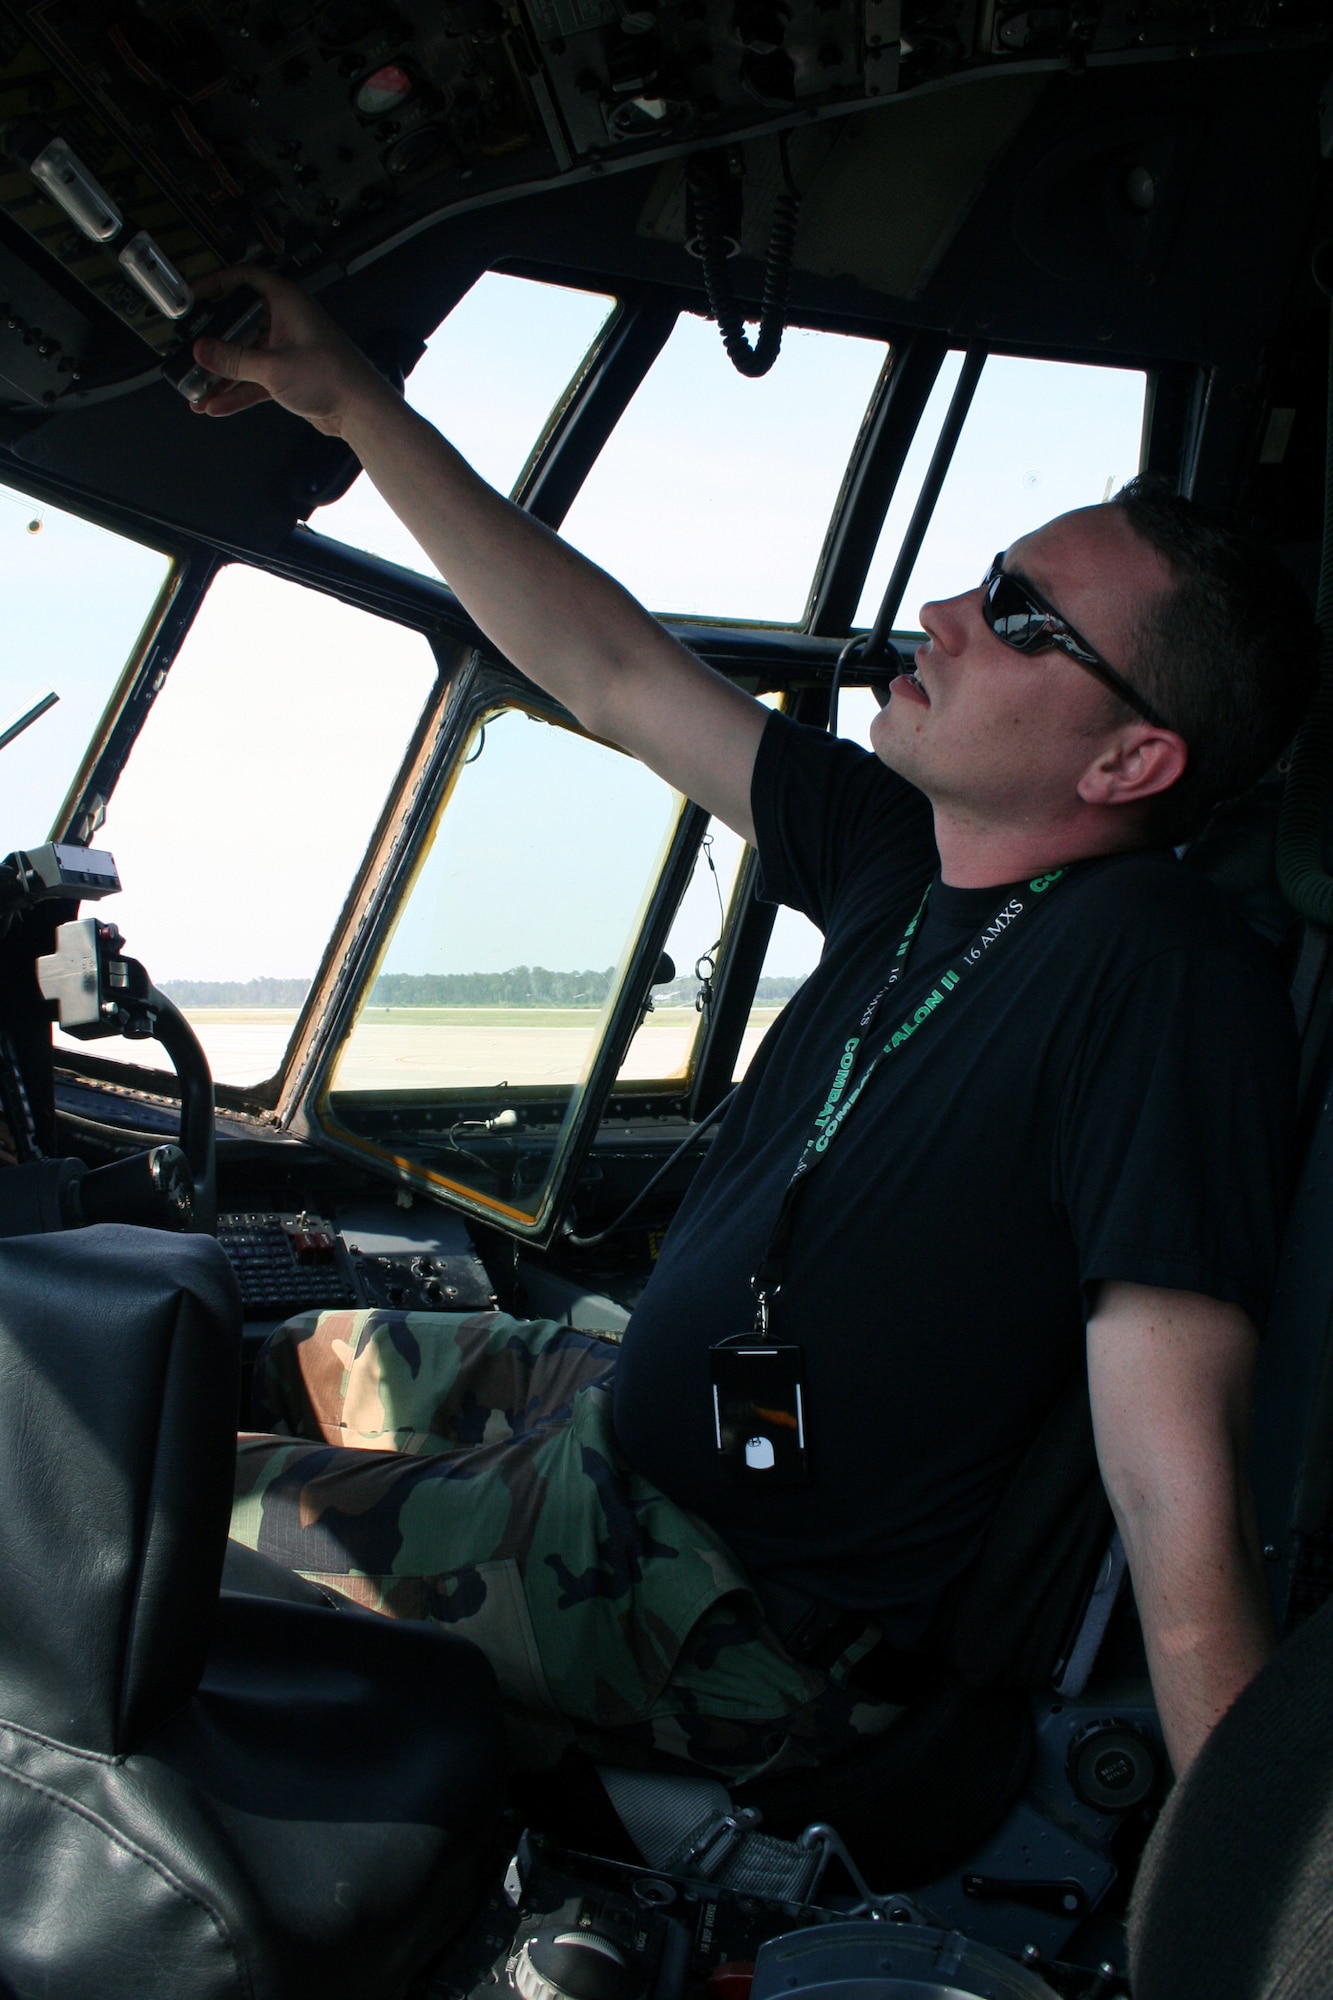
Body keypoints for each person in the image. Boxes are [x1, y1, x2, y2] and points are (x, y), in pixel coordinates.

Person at [200, 266, 1318, 1786]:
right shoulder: (896, 853)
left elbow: (1168, 1454)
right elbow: (604, 666)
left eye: (1017, 616)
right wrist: (343, 400)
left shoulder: (1166, 980)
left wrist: (1239, 1887)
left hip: (711, 1602)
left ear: (1128, 758)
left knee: (109, 1481)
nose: (940, 613)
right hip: (614, 1426)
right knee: (211, 1347)